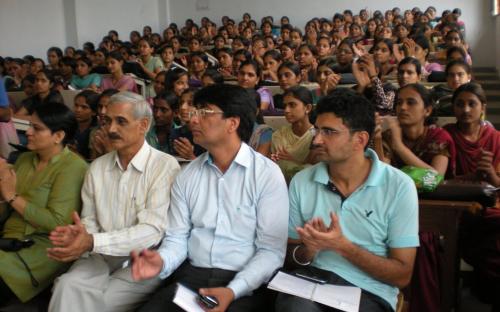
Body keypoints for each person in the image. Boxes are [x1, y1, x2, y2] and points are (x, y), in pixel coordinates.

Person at [130, 84, 289, 312]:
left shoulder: (266, 174)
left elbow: (271, 251)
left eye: (204, 113)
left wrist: (234, 289)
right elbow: (177, 238)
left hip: (246, 282)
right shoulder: (188, 175)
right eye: (194, 113)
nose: (193, 120)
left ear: (232, 123)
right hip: (193, 277)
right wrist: (161, 261)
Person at [275, 88, 419, 312]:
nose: (317, 140)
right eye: (317, 130)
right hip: (312, 282)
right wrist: (308, 251)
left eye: (329, 132)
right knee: (294, 307)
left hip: (368, 291)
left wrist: (343, 247)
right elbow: (289, 255)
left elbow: (402, 275)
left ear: (360, 139)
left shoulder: (399, 186)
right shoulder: (302, 181)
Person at [47, 92, 181, 312]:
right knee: (66, 286)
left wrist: (91, 241)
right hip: (99, 256)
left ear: (143, 125)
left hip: (142, 260)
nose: (110, 129)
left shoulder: (164, 166)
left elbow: (151, 232)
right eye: (107, 121)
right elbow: (90, 221)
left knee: (98, 304)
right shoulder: (97, 168)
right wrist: (80, 238)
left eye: (121, 121)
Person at [0, 102, 88, 303]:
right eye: (30, 125)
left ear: (58, 136)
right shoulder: (24, 159)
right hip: (7, 238)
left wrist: (12, 196)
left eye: (37, 128)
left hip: (39, 250)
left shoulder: (73, 168)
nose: (28, 132)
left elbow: (57, 222)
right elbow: (5, 210)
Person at [375, 83, 456, 178]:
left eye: (411, 102)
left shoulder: (438, 136)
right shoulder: (389, 135)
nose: (403, 107)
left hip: (433, 193)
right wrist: (377, 138)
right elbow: (382, 175)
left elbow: (435, 177)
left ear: (427, 111)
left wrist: (399, 147)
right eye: (399, 103)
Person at [444, 83, 500, 186]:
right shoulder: (444, 135)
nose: (466, 110)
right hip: (452, 198)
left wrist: (491, 173)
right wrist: (472, 177)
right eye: (460, 105)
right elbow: (437, 180)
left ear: (483, 108)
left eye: (472, 104)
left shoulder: (496, 138)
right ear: (453, 108)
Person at [271, 86, 316, 182]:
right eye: (285, 106)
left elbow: (314, 169)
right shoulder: (279, 135)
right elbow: (278, 165)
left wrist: (294, 161)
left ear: (307, 108)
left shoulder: (317, 137)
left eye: (292, 105)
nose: (286, 110)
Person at [72, 90, 99, 160]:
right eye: (76, 105)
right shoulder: (68, 126)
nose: (78, 110)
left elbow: (92, 162)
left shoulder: (96, 132)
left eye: (84, 107)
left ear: (94, 112)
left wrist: (75, 153)